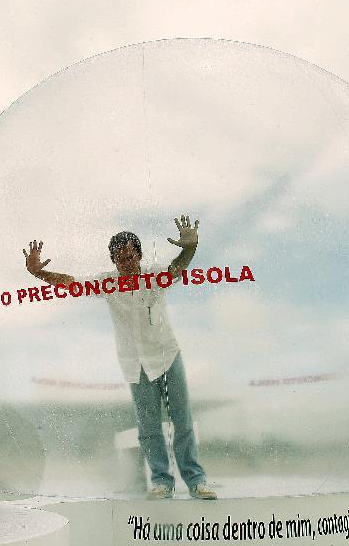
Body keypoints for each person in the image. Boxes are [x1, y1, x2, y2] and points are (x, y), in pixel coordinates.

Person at [22, 214, 217, 500]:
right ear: (113, 261)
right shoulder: (108, 284)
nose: (126, 263)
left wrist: (189, 248)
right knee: (149, 427)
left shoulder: (154, 276)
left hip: (167, 354)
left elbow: (178, 268)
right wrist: (39, 273)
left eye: (130, 256)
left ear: (138, 255)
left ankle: (196, 480)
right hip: (135, 363)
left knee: (182, 421)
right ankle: (162, 481)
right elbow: (70, 282)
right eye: (119, 259)